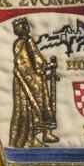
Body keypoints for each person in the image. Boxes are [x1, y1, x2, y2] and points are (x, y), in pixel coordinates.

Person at [9, 17, 60, 148]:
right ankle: (34, 137)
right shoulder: (27, 41)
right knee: (36, 106)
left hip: (21, 80)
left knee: (26, 108)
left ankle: (29, 137)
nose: (28, 27)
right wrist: (49, 66)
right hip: (29, 81)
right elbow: (37, 62)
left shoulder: (16, 43)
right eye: (25, 25)